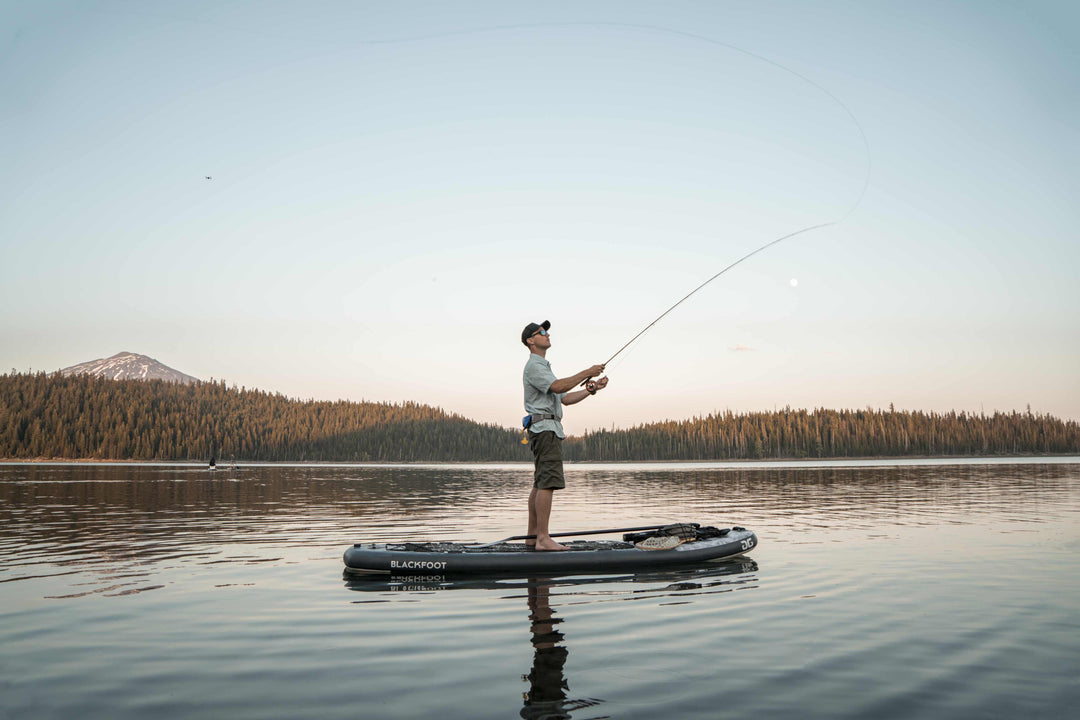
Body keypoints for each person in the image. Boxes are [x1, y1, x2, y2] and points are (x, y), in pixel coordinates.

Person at [521, 320, 608, 551]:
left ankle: (532, 538)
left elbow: (565, 398)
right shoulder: (535, 366)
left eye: (547, 331)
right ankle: (542, 539)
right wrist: (588, 371)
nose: (547, 334)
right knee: (547, 483)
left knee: (540, 483)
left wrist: (593, 388)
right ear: (531, 340)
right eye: (542, 332)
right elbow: (559, 387)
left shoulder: (544, 368)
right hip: (545, 430)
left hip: (547, 429)